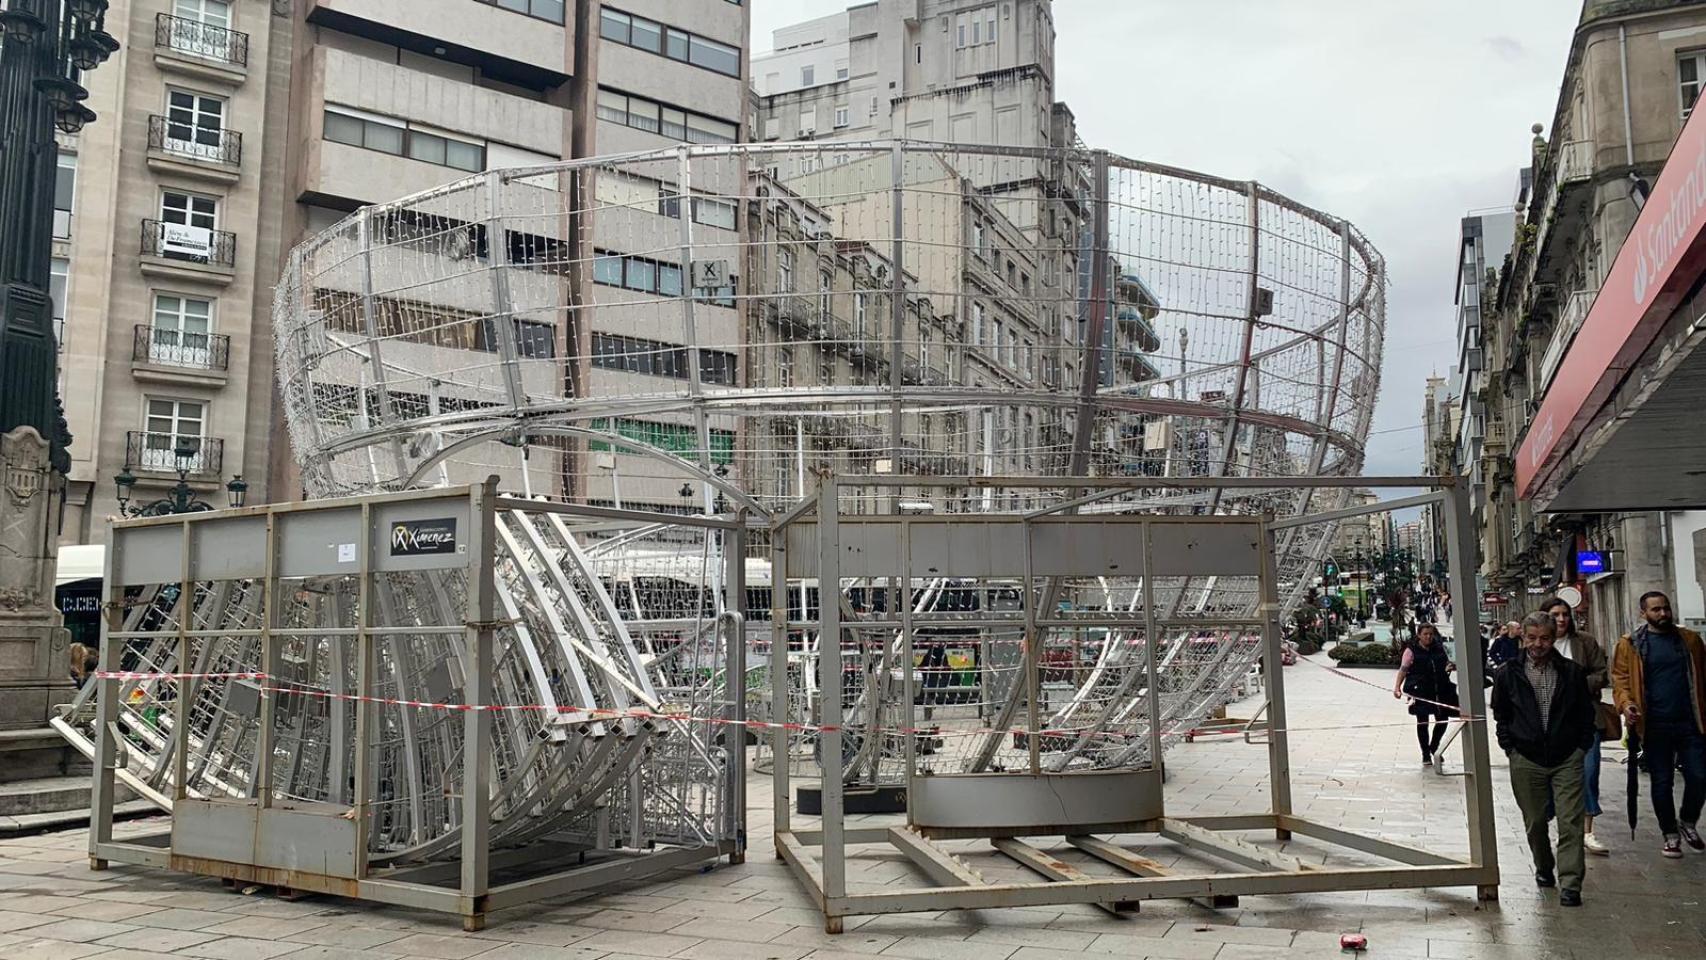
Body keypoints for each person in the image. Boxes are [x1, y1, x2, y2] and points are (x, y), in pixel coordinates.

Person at [1490, 611, 1597, 906]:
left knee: (1570, 821)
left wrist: (1581, 747)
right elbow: (1500, 713)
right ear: (1523, 638)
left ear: (1554, 638)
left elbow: (1585, 714)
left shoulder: (1571, 673)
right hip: (1526, 757)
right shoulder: (1508, 673)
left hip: (1567, 756)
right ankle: (1543, 866)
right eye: (1532, 638)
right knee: (1535, 821)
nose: (1538, 644)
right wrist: (1510, 747)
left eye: (1545, 638)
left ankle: (1571, 884)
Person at [1611, 591, 1706, 859]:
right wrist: (1627, 705)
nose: (1662, 614)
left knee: (1699, 776)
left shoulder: (1690, 640)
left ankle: (1687, 822)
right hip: (1654, 725)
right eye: (1656, 610)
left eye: (1665, 608)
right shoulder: (1631, 645)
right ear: (1644, 613)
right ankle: (1670, 834)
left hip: (1691, 722)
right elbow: (1621, 680)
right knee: (1662, 781)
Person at [1540, 596, 1617, 856]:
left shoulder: (1585, 642)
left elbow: (1601, 673)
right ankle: (1560, 822)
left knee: (1588, 771)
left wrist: (1577, 686)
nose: (1561, 619)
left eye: (1565, 614)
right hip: (1549, 722)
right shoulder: (1537, 643)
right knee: (1552, 776)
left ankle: (1586, 830)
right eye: (1555, 614)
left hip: (1585, 718)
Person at [1393, 623, 1458, 768]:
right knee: (1423, 722)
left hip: (1440, 689)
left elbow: (1445, 662)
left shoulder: (1439, 648)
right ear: (1419, 635)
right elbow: (1403, 669)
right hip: (1420, 691)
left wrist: (1448, 667)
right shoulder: (1411, 651)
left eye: (1431, 634)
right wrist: (1397, 687)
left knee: (1443, 719)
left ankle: (1434, 746)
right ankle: (1425, 753)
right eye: (1425, 634)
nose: (1428, 637)